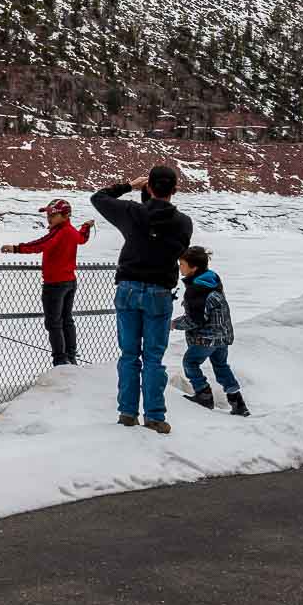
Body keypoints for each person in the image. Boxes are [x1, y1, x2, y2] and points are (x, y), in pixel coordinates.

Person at [92, 164, 193, 434]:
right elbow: (175, 245)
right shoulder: (183, 222)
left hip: (128, 288)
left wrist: (129, 186)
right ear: (174, 189)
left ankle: (127, 412)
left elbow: (99, 198)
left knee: (128, 355)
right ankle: (155, 416)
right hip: (159, 293)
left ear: (148, 187)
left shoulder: (133, 213)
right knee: (153, 358)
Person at [0, 198, 95, 365]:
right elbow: (82, 238)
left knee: (54, 323)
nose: (49, 217)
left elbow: (41, 245)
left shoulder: (60, 232)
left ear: (65, 215)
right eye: (48, 214)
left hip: (55, 284)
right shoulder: (71, 231)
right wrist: (86, 226)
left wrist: (16, 248)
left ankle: (60, 360)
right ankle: (70, 357)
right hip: (69, 282)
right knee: (66, 320)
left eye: (53, 214)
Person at [174, 246, 248, 416]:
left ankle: (203, 394)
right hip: (222, 335)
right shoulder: (212, 280)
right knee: (221, 366)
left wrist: (174, 324)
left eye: (182, 264)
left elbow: (195, 319)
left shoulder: (197, 289)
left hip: (206, 338)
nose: (180, 267)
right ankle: (237, 402)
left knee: (190, 363)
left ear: (194, 268)